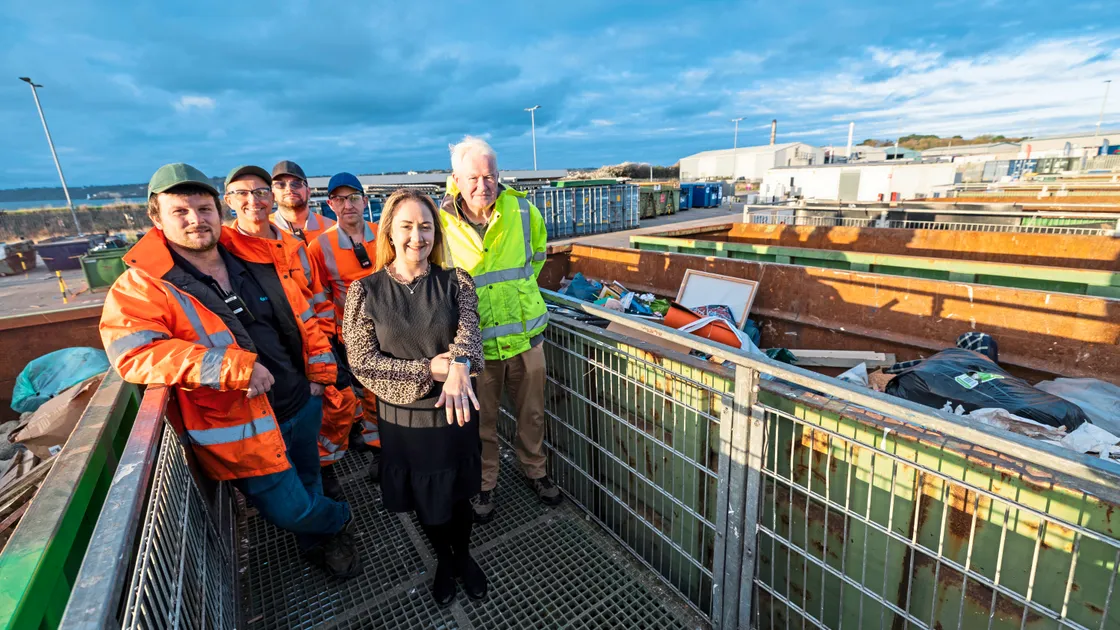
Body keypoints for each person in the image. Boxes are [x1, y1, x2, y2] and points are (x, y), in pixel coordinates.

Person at [100, 163, 362, 578]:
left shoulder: (257, 256)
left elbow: (304, 315)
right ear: (156, 217)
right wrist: (233, 366)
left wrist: (318, 377)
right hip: (243, 424)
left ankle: (321, 540)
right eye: (180, 212)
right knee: (289, 506)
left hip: (301, 400)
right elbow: (134, 354)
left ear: (217, 210)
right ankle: (338, 519)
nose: (195, 220)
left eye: (203, 209)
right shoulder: (142, 286)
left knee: (309, 474)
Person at [342, 188, 487, 605]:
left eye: (425, 226)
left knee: (459, 494)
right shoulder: (364, 291)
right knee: (426, 498)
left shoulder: (455, 281)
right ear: (389, 230)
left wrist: (459, 364)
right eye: (406, 226)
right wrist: (428, 370)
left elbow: (470, 335)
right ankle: (443, 558)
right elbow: (364, 362)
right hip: (405, 420)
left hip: (456, 412)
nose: (417, 236)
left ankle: (463, 557)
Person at [439, 136, 559, 523]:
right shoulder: (440, 222)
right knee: (480, 424)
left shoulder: (521, 210)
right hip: (476, 349)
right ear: (456, 178)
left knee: (533, 414)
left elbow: (537, 256)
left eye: (490, 176)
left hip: (525, 340)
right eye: (473, 177)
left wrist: (518, 299)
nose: (483, 185)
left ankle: (535, 472)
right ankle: (485, 484)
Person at [225, 165, 358, 498]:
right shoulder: (225, 247)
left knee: (337, 406)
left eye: (259, 192)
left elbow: (317, 298)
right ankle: (311, 491)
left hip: (319, 347)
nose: (253, 201)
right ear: (229, 201)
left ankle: (324, 470)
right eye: (242, 193)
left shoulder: (309, 241)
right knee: (287, 437)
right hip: (263, 364)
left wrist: (326, 346)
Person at [308, 173, 382, 486]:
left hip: (393, 329)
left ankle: (405, 442)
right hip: (352, 337)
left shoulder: (385, 233)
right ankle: (379, 449)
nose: (347, 204)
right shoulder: (319, 247)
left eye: (353, 197)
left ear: (365, 201)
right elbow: (319, 292)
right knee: (368, 394)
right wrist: (331, 336)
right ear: (329, 205)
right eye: (339, 199)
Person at [270, 160, 335, 242]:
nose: (289, 189)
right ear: (273, 194)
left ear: (308, 192)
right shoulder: (263, 229)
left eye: (296, 183)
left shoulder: (332, 228)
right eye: (280, 184)